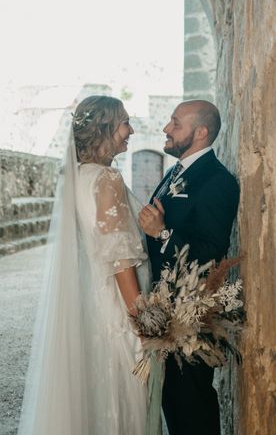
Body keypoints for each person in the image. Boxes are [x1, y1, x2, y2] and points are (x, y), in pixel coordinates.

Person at [19, 95, 151, 435]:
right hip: (116, 310)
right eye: (124, 122)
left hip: (88, 303)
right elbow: (118, 256)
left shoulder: (77, 176)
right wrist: (144, 318)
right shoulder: (107, 179)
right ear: (105, 129)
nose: (130, 129)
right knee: (123, 395)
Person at [139, 99, 239, 435]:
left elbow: (211, 252)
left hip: (193, 315)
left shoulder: (218, 181)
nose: (166, 128)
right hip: (166, 310)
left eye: (175, 122)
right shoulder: (174, 172)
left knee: (192, 404)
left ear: (201, 132)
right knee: (173, 401)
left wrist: (163, 233)